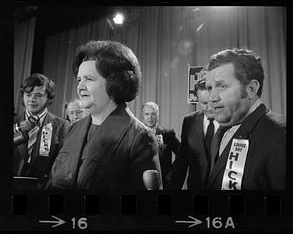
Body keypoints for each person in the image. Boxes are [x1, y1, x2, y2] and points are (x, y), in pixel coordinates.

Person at [47, 40, 162, 190]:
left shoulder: (139, 137)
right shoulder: (73, 128)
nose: (80, 87)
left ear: (115, 83)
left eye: (89, 79)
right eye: (79, 79)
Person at [205, 48, 286, 190]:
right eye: (210, 88)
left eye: (222, 86)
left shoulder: (281, 135)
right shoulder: (222, 132)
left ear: (251, 89)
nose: (212, 98)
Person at [14, 73, 70, 188]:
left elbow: (61, 165)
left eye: (38, 95)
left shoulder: (62, 125)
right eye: (28, 94)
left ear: (49, 98)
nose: (32, 99)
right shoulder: (13, 121)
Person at [167, 80, 219, 189]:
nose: (209, 108)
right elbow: (182, 159)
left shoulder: (231, 121)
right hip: (196, 188)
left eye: (213, 102)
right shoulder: (189, 121)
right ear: (197, 101)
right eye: (204, 103)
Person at [142, 102, 180, 188]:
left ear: (158, 116)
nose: (150, 117)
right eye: (147, 114)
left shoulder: (168, 133)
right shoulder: (137, 135)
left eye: (153, 114)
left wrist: (173, 171)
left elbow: (181, 154)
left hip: (164, 182)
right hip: (142, 182)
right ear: (143, 117)